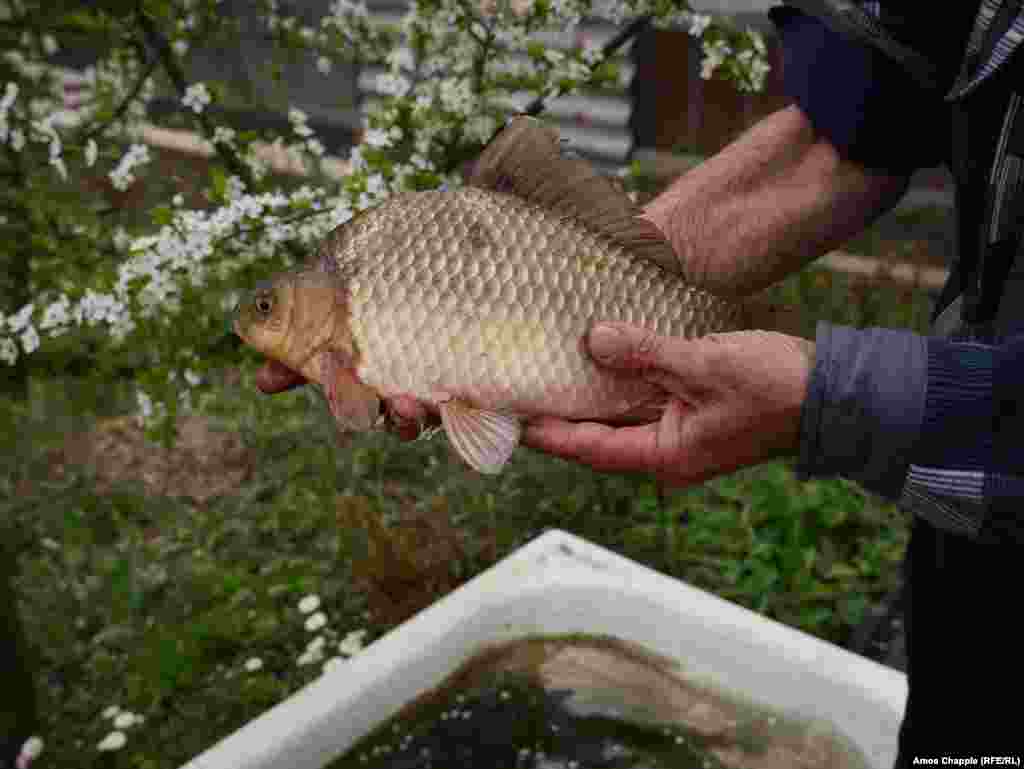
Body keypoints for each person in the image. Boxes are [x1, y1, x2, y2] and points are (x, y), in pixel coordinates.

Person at [257, 1, 1024, 762]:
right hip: (965, 560)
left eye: (269, 308)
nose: (265, 319)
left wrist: (827, 396)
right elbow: (850, 129)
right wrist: (615, 271)